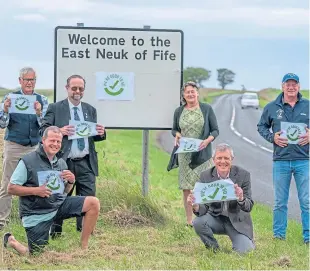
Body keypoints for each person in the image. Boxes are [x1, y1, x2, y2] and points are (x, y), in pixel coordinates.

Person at [3, 126, 100, 255]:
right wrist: (37, 191)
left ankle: (84, 247)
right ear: (43, 140)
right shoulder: (28, 161)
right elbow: (11, 188)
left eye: (58, 141)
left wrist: (71, 182)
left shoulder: (60, 163)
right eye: (52, 140)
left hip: (57, 206)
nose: (55, 144)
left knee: (93, 203)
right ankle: (12, 241)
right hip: (36, 213)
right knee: (36, 254)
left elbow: (64, 192)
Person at [39, 74, 106, 236]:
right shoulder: (55, 108)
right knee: (59, 196)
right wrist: (59, 131)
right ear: (67, 88)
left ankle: (85, 231)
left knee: (88, 197)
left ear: (84, 90)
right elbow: (42, 130)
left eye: (81, 88)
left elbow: (92, 136)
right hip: (63, 161)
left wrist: (102, 133)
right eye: (74, 88)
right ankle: (55, 231)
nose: (77, 91)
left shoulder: (90, 110)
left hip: (86, 162)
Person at [257, 73, 309, 244]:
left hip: (304, 160)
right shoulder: (272, 107)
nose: (291, 87)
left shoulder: (308, 106)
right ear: (283, 86)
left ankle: (308, 237)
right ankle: (279, 236)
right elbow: (261, 126)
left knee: (306, 201)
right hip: (281, 161)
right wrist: (273, 137)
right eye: (288, 84)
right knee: (280, 202)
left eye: (294, 84)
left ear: (299, 86)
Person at [0, 67, 49, 229]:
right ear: (20, 81)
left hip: (33, 147)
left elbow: (45, 127)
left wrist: (39, 113)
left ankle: (31, 218)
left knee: (33, 184)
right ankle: (2, 222)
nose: (30, 83)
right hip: (14, 145)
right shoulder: (10, 98)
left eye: (32, 79)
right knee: (7, 184)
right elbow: (2, 124)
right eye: (26, 80)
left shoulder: (42, 99)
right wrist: (5, 110)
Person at [188, 143, 255, 254]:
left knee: (245, 252)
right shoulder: (206, 176)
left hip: (237, 221)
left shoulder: (243, 175)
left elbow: (249, 206)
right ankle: (214, 249)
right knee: (198, 222)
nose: (222, 161)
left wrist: (241, 198)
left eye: (226, 158)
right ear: (214, 160)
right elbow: (203, 208)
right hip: (216, 218)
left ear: (232, 159)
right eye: (219, 158)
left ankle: (246, 241)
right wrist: (195, 205)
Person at [170, 81, 219, 226]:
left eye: (193, 91)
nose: (190, 94)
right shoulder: (179, 111)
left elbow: (215, 130)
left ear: (197, 93)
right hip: (185, 155)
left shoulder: (206, 109)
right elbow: (174, 129)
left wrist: (207, 141)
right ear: (183, 95)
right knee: (187, 188)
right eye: (187, 92)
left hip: (203, 154)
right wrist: (177, 135)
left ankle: (205, 217)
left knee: (203, 186)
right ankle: (189, 220)